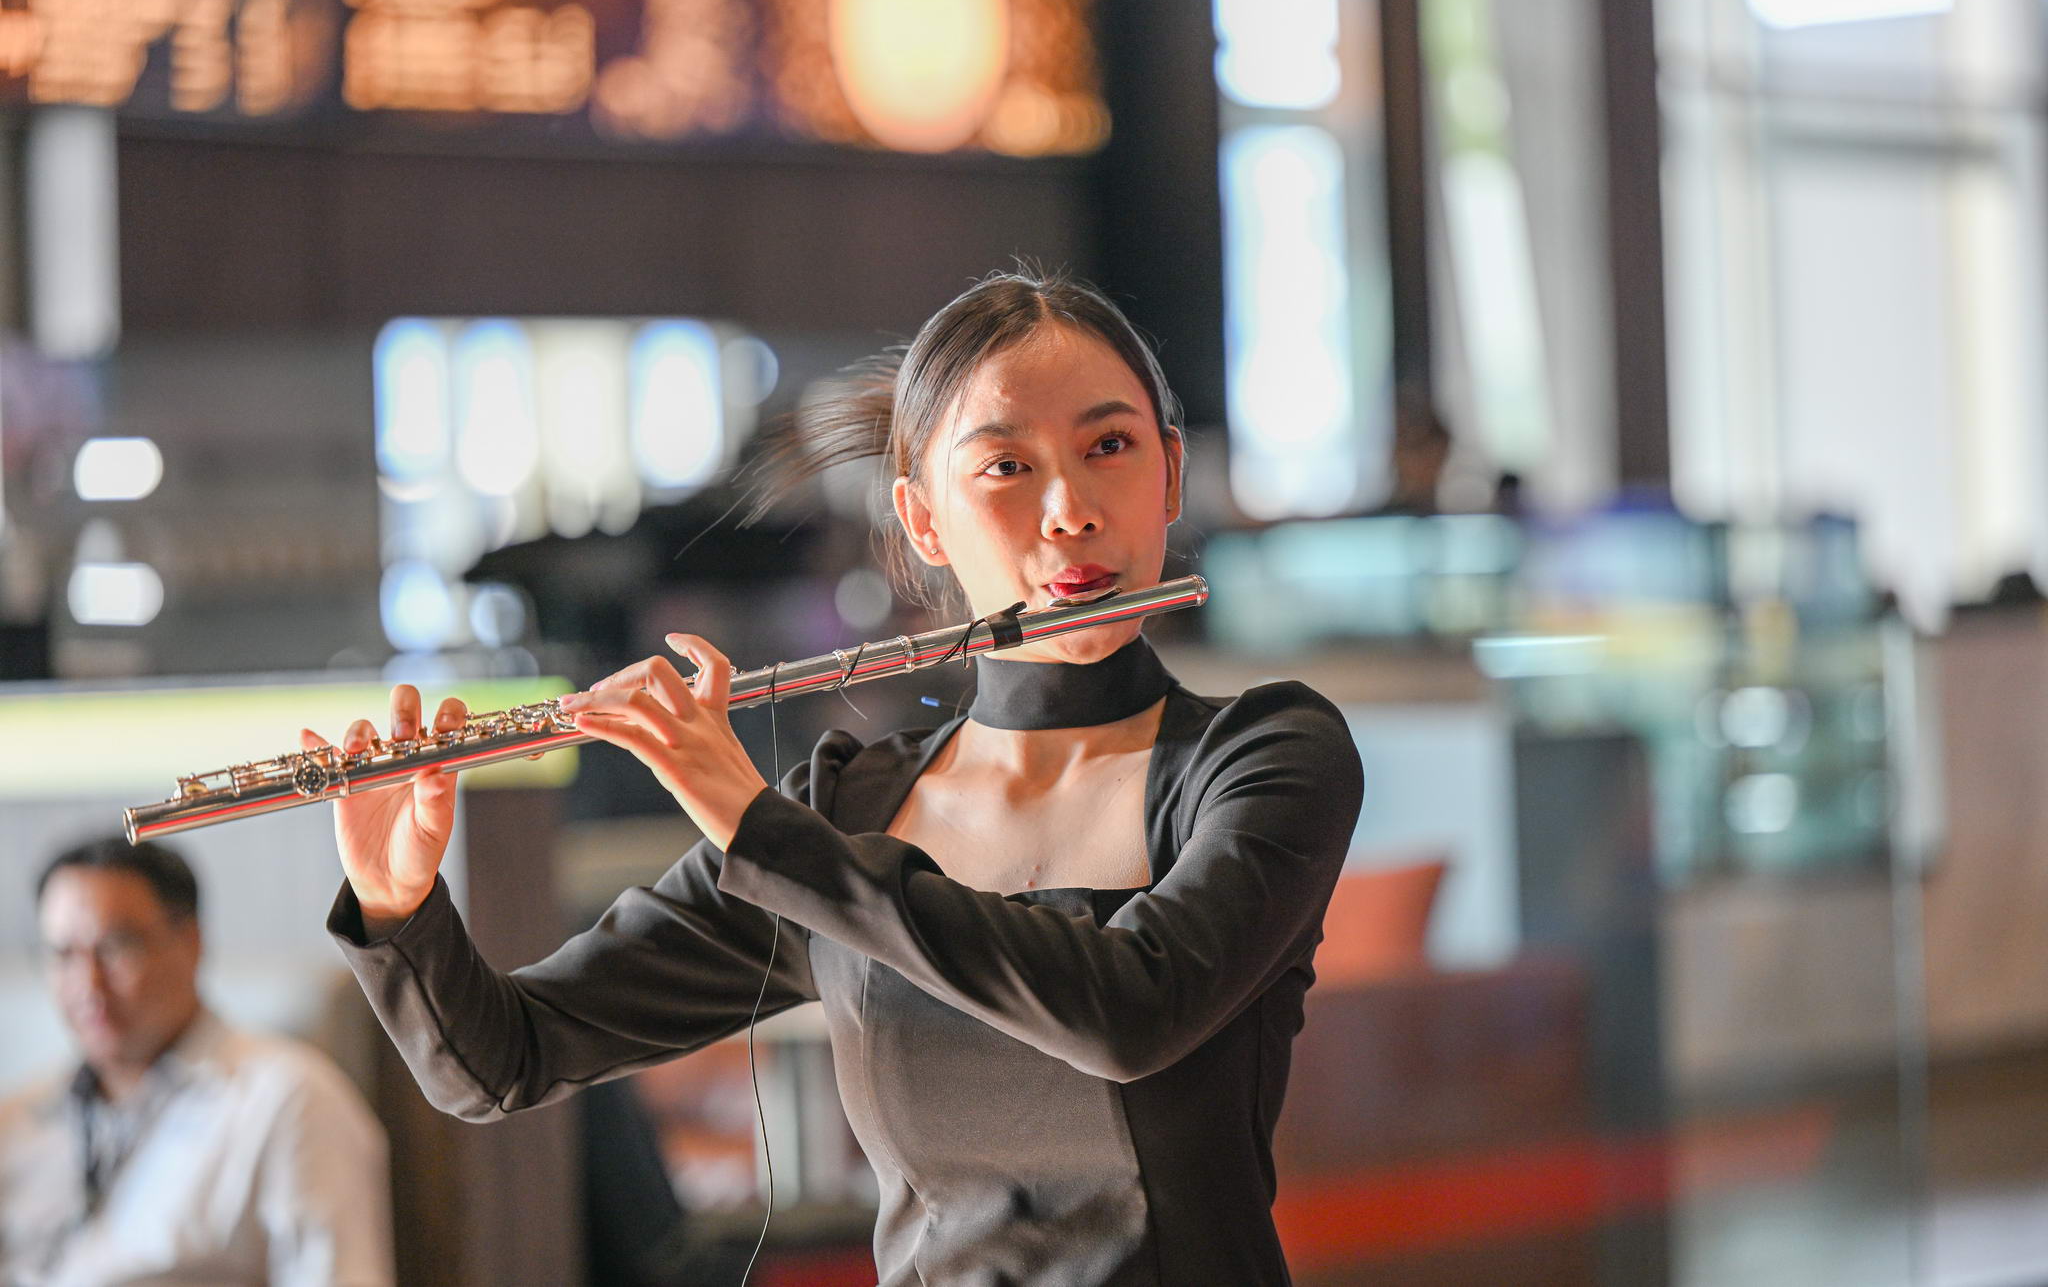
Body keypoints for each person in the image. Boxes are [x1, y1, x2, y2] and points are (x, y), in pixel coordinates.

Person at [317, 271, 1366, 1286]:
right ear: (921, 520)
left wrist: (761, 831)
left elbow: (1127, 1012)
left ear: (1169, 473)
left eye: (1109, 447)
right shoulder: (849, 811)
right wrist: (397, 903)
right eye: (1005, 466)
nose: (1069, 509)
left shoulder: (1265, 755)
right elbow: (502, 1058)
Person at [1, 838, 394, 1287]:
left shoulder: (289, 1101)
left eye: (115, 947)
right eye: (63, 954)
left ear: (190, 941)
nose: (87, 984)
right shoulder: (17, 1122)